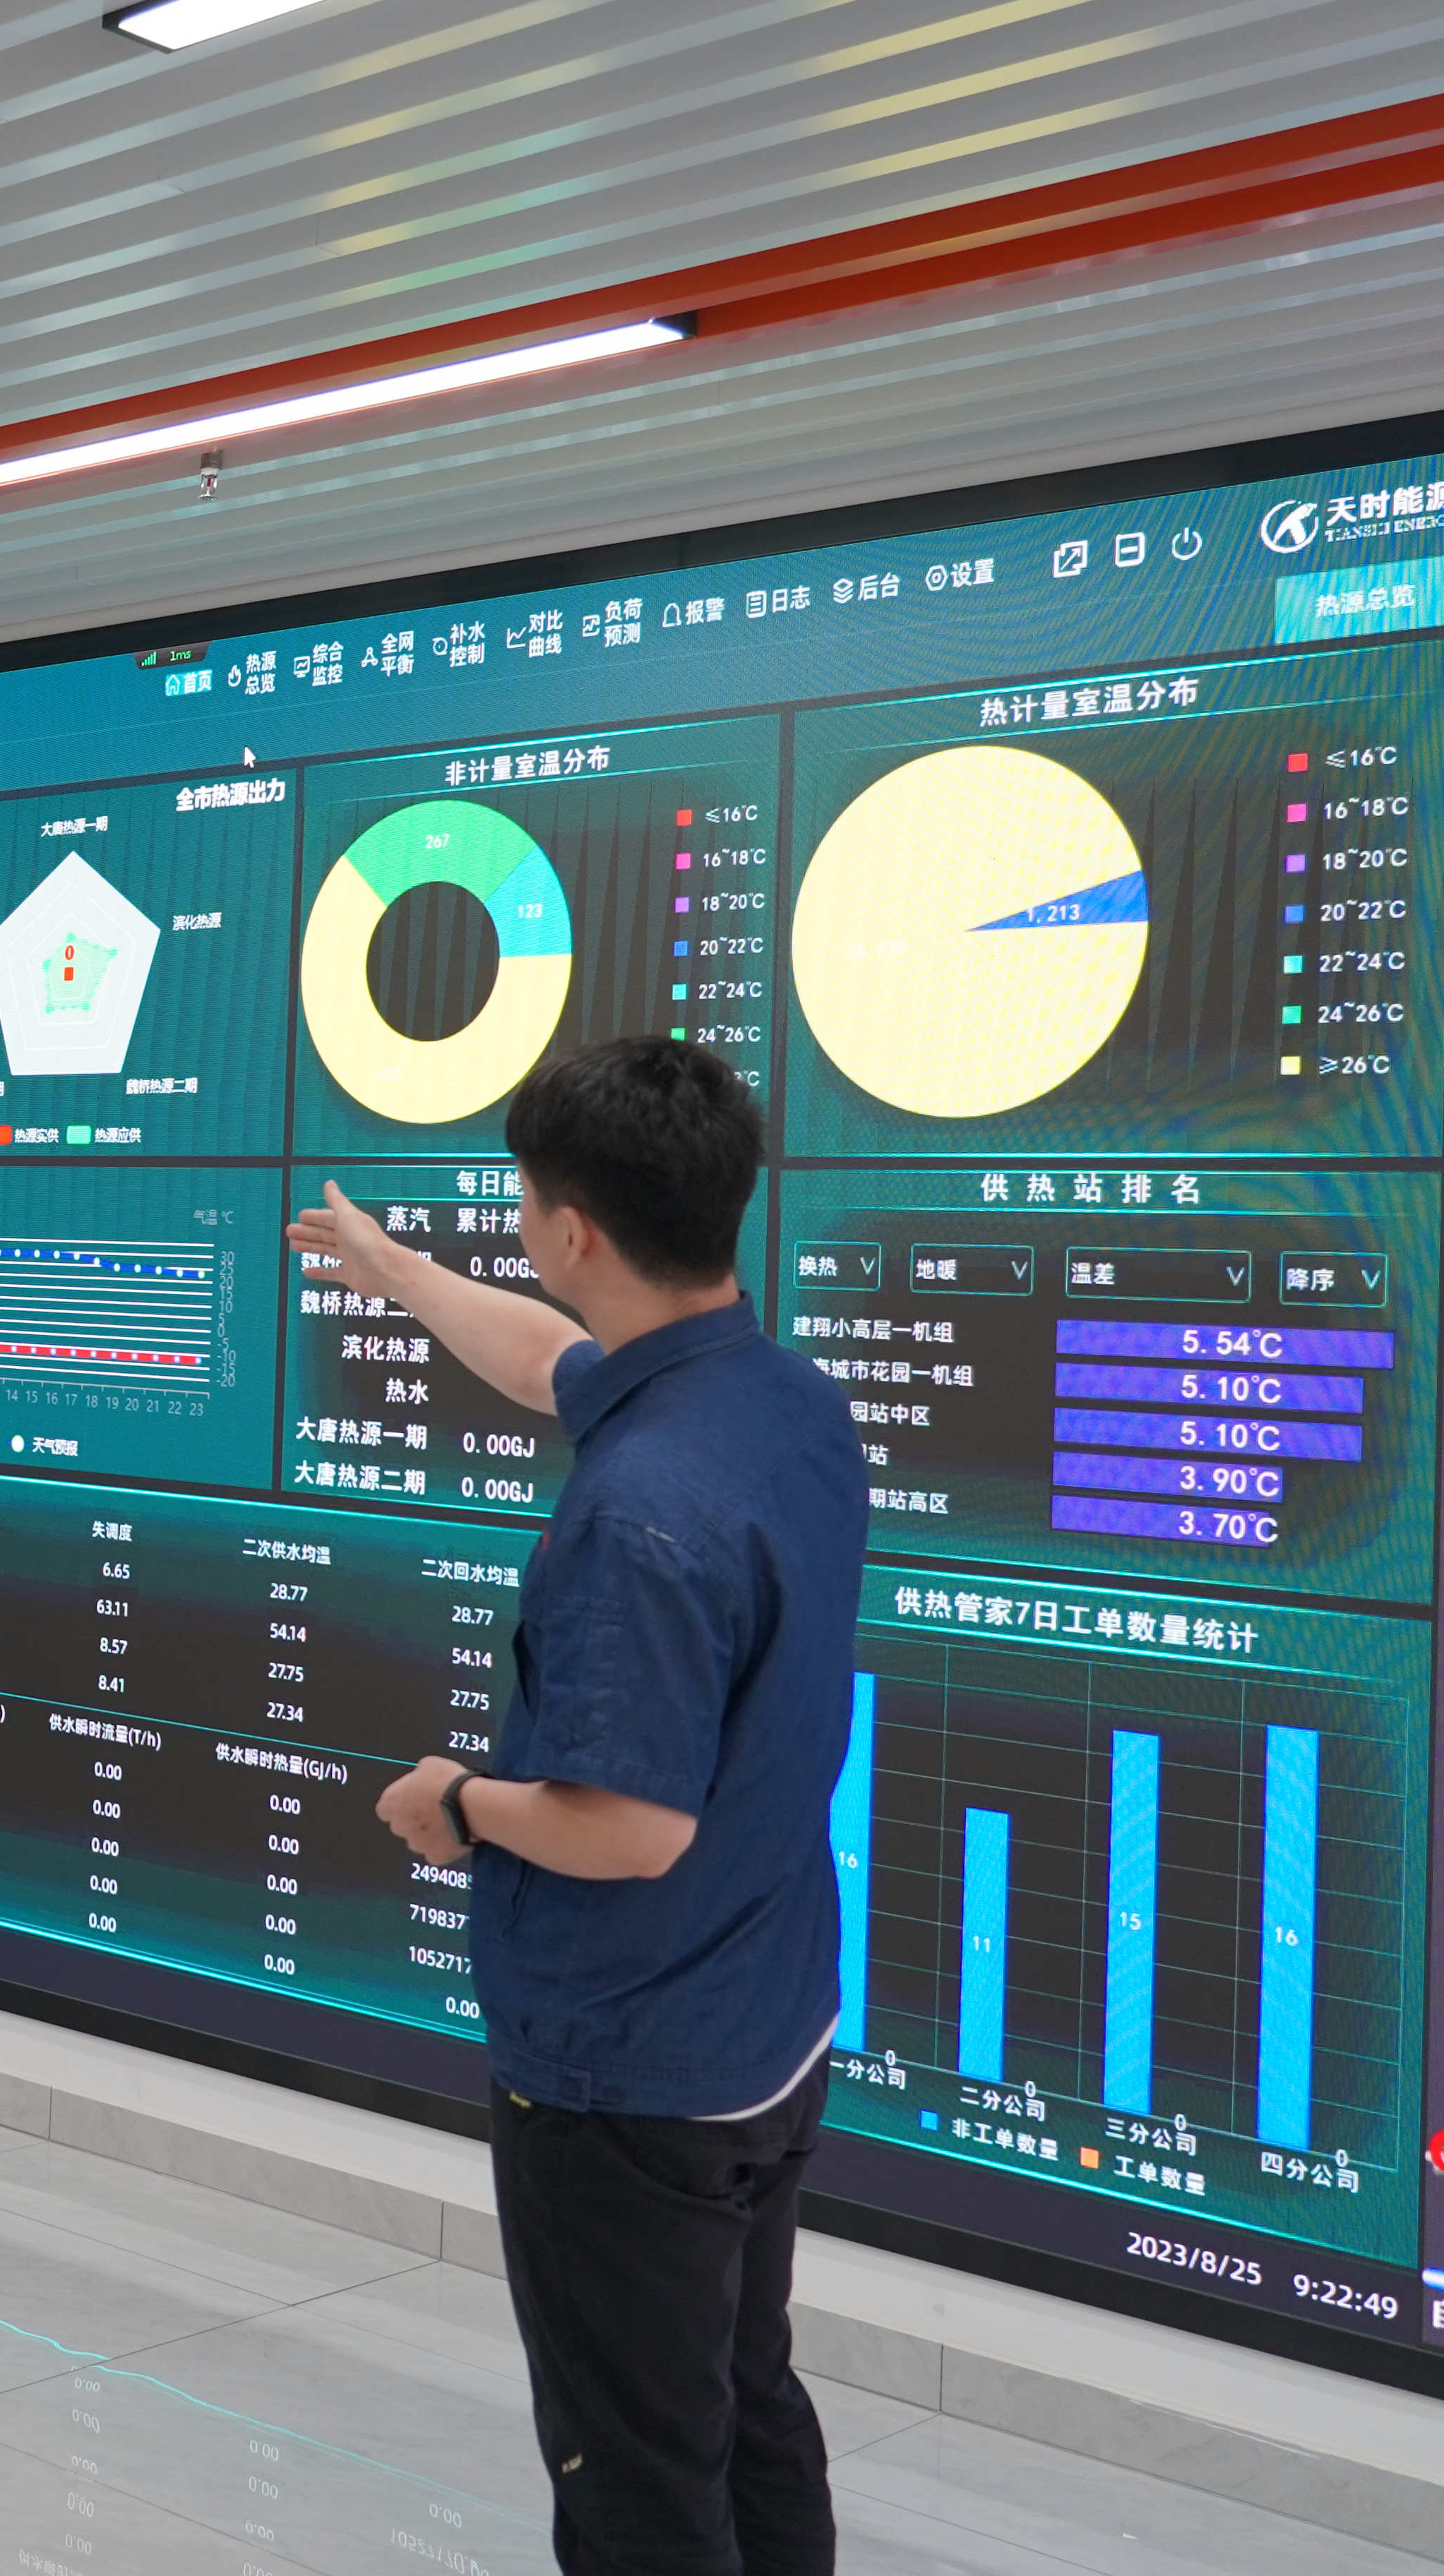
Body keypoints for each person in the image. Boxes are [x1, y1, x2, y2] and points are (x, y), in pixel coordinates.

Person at [292, 1036, 862, 2576]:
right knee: (743, 2396)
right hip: (763, 2027)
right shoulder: (781, 1404)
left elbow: (631, 1827)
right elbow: (554, 1358)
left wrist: (460, 1802)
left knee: (637, 2477)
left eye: (526, 1202)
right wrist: (392, 1269)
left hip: (630, 2078)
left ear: (573, 1229)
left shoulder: (640, 1514)